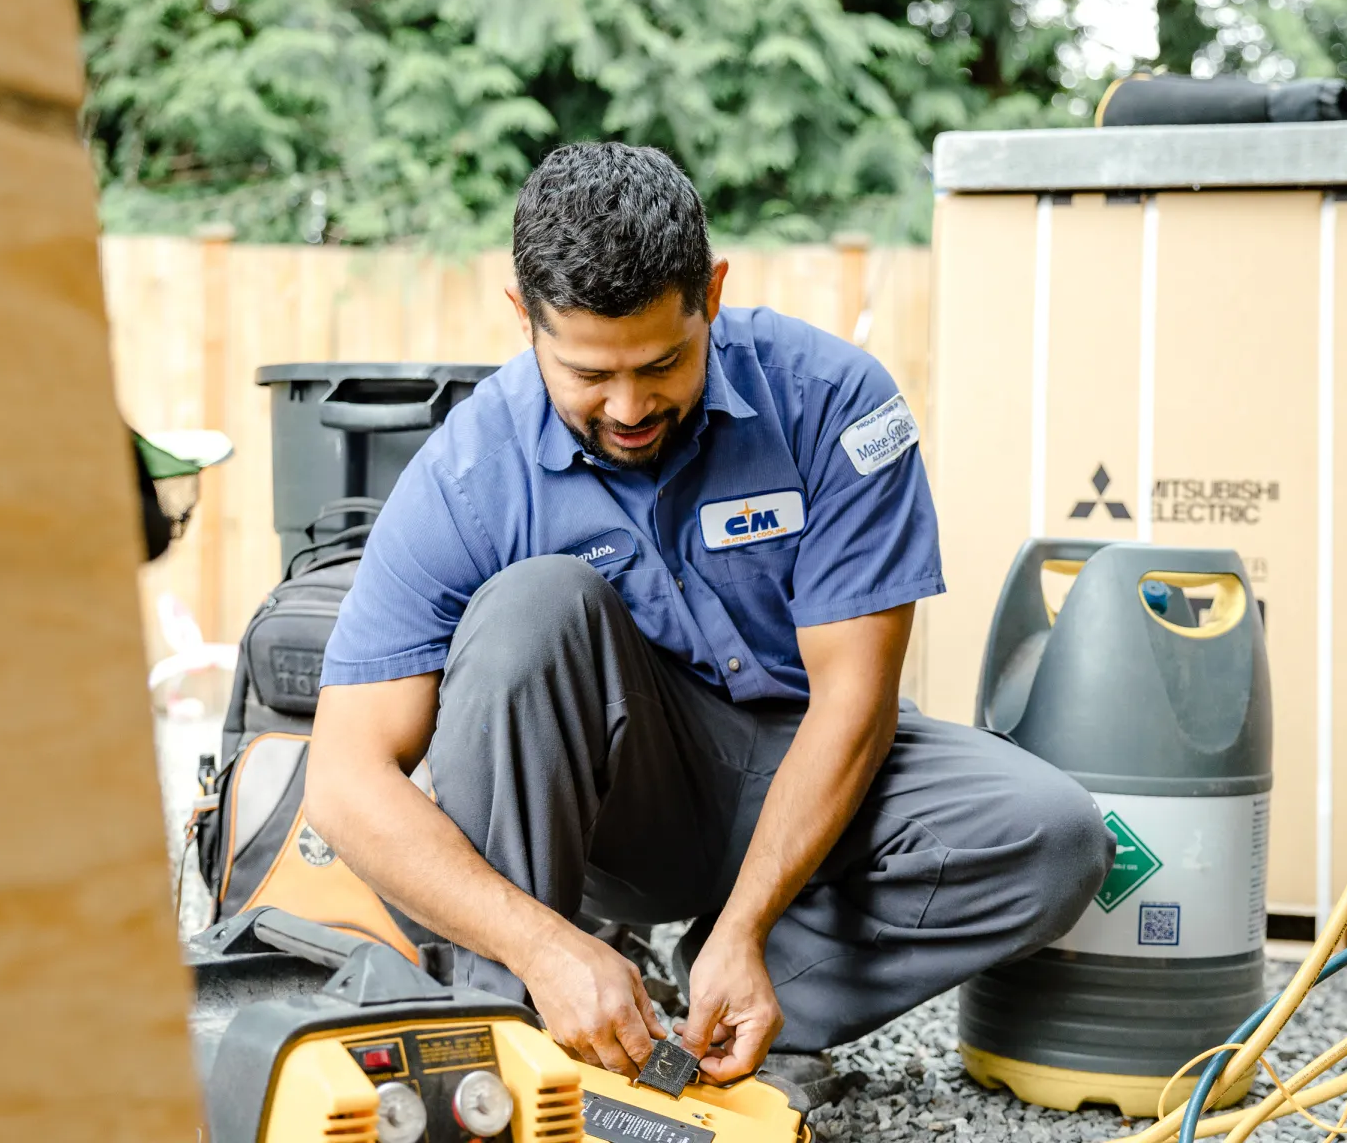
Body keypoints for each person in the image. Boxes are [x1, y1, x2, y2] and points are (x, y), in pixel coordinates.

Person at [306, 142, 1113, 1095]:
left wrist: (744, 929)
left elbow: (854, 703)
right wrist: (542, 945)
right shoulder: (468, 474)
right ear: (524, 319)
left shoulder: (835, 403)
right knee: (534, 608)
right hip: (619, 812)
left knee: (1058, 837)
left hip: (813, 769)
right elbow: (345, 782)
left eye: (663, 363)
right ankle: (519, 1029)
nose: (630, 406)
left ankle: (703, 1018)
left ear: (713, 293)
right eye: (588, 376)